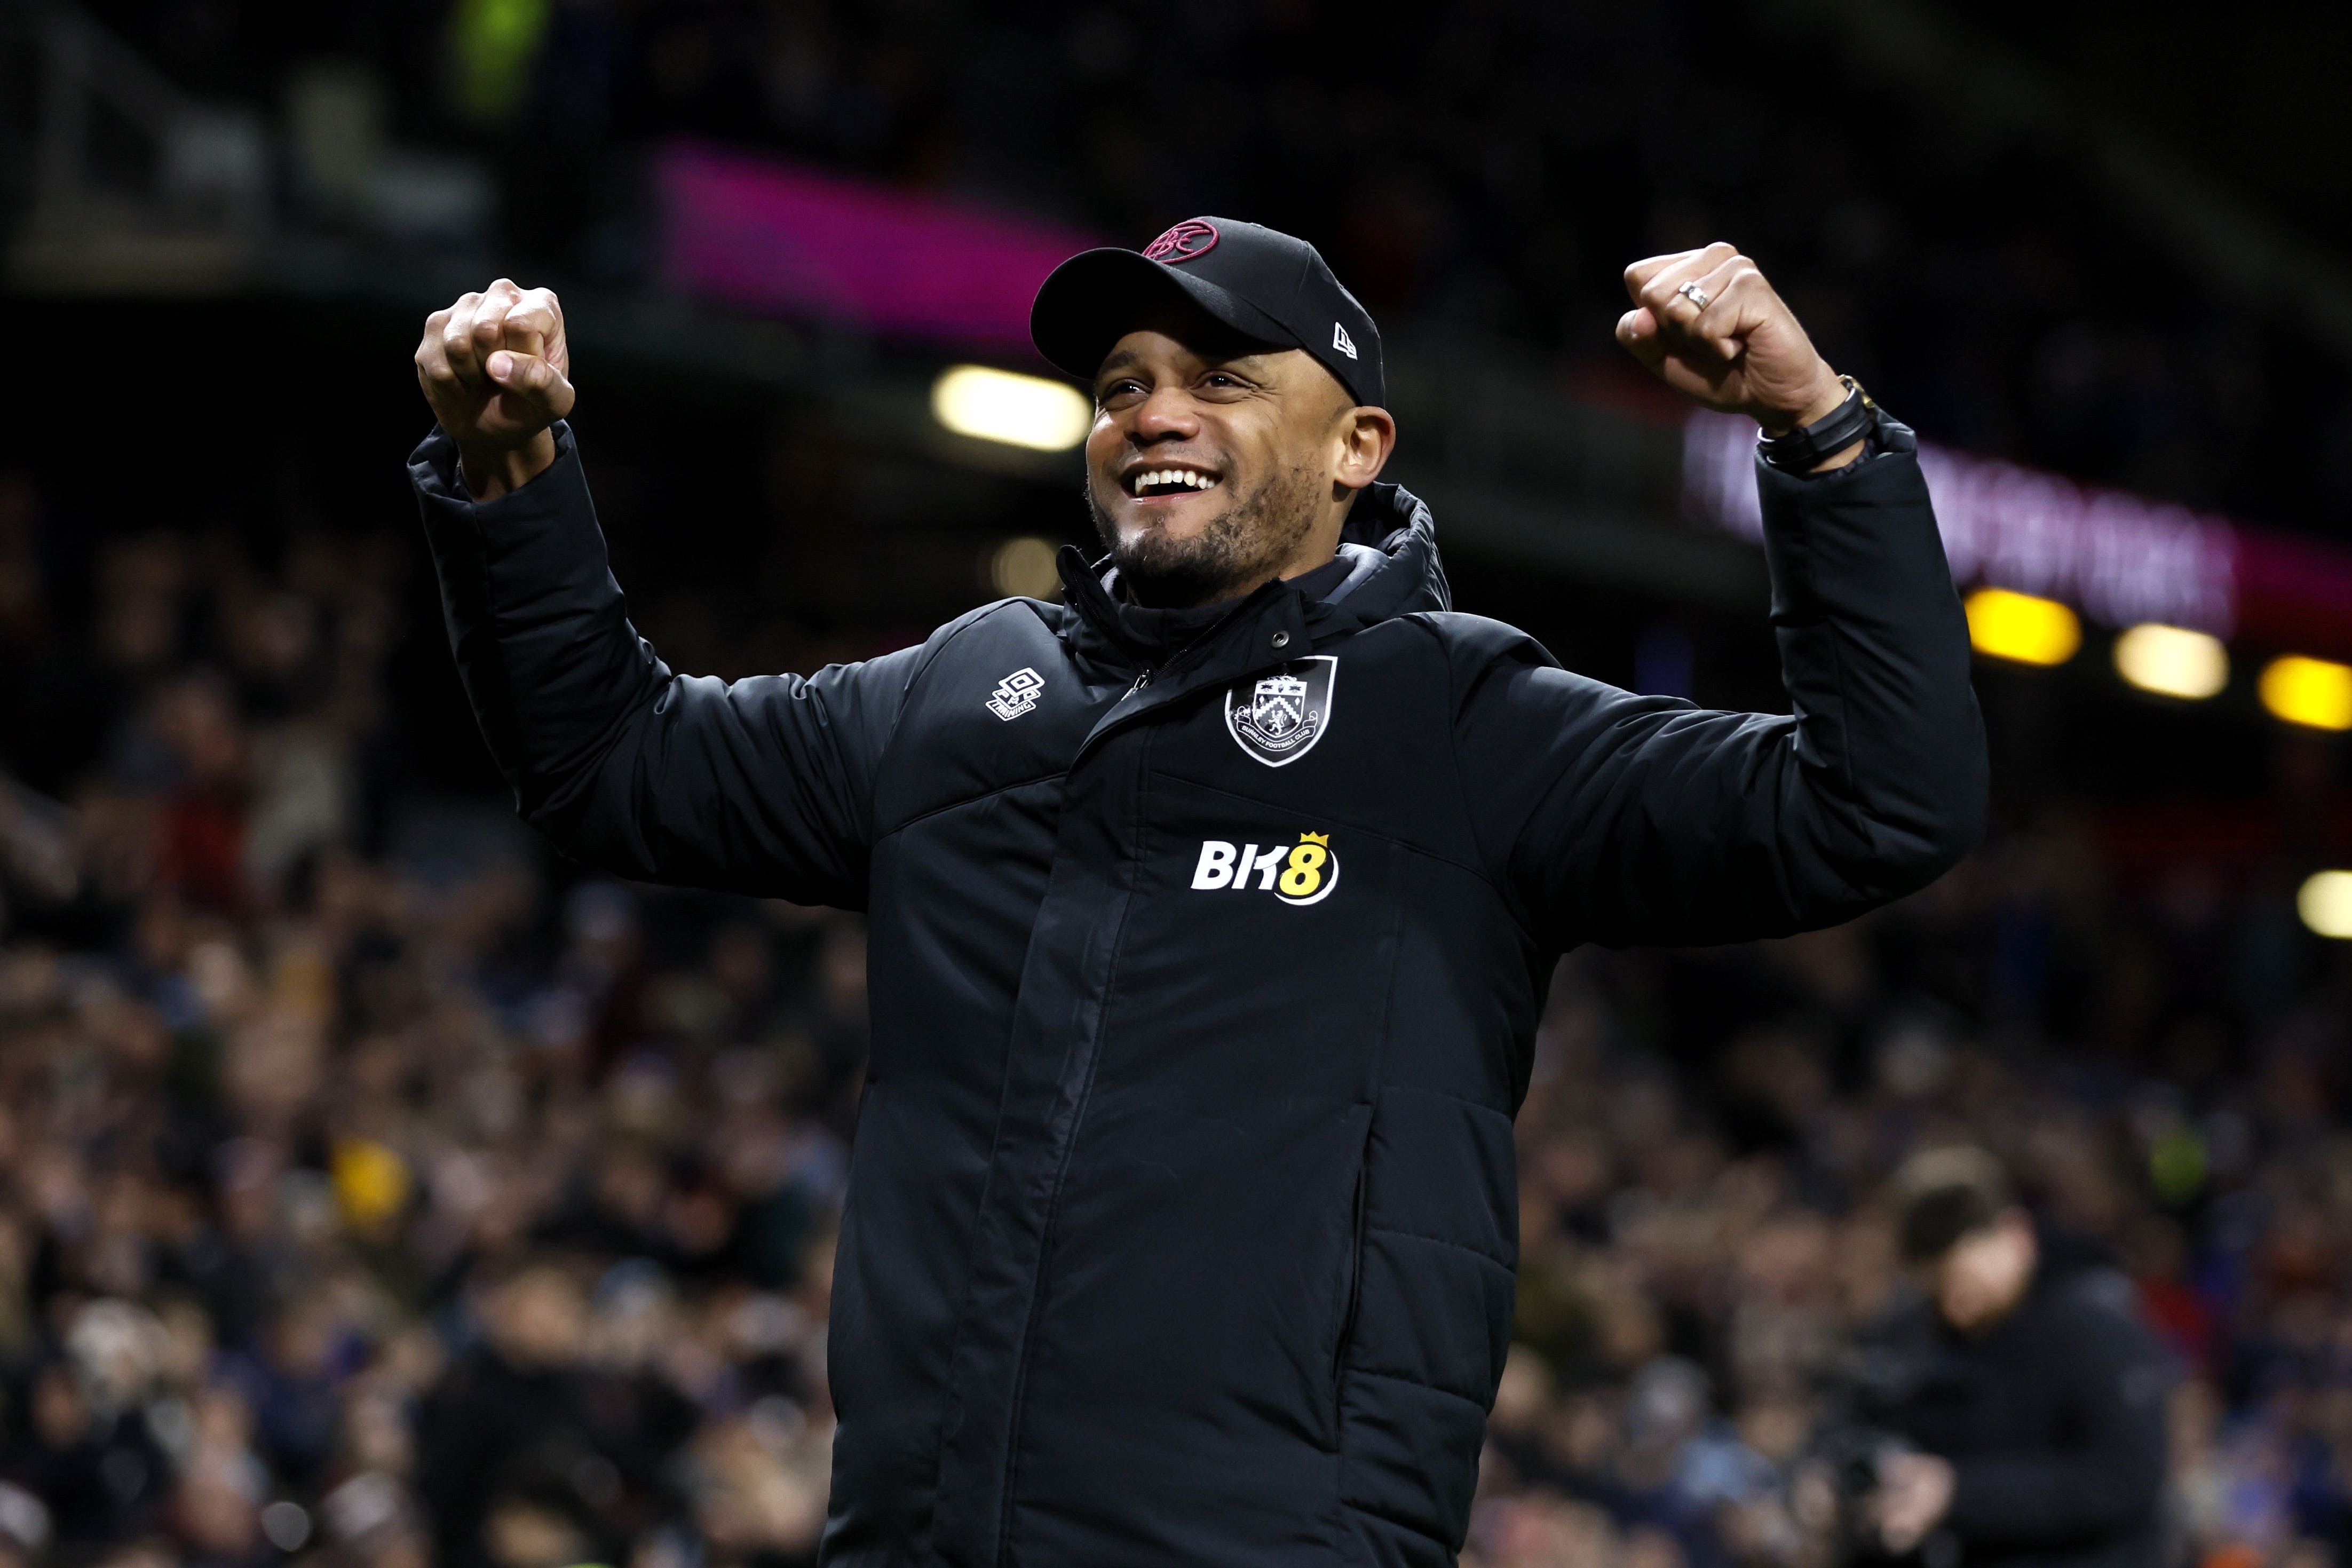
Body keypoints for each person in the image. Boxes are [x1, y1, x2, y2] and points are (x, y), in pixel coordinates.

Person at [407, 219, 1986, 1566]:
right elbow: (613, 763)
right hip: (923, 1528)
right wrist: (509, 470)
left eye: (1220, 377)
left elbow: (1875, 803)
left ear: (1355, 445)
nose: (1152, 413)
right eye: (1119, 386)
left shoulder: (1459, 723)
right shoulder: (961, 697)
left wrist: (1819, 435)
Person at [1859, 1149, 2172, 1568]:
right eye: (1937, 1288)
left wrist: (1959, 1492)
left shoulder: (2095, 1323)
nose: (1955, 1305)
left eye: (1964, 1281)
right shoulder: (1927, 1336)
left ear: (2014, 1235)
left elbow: (2125, 1475)